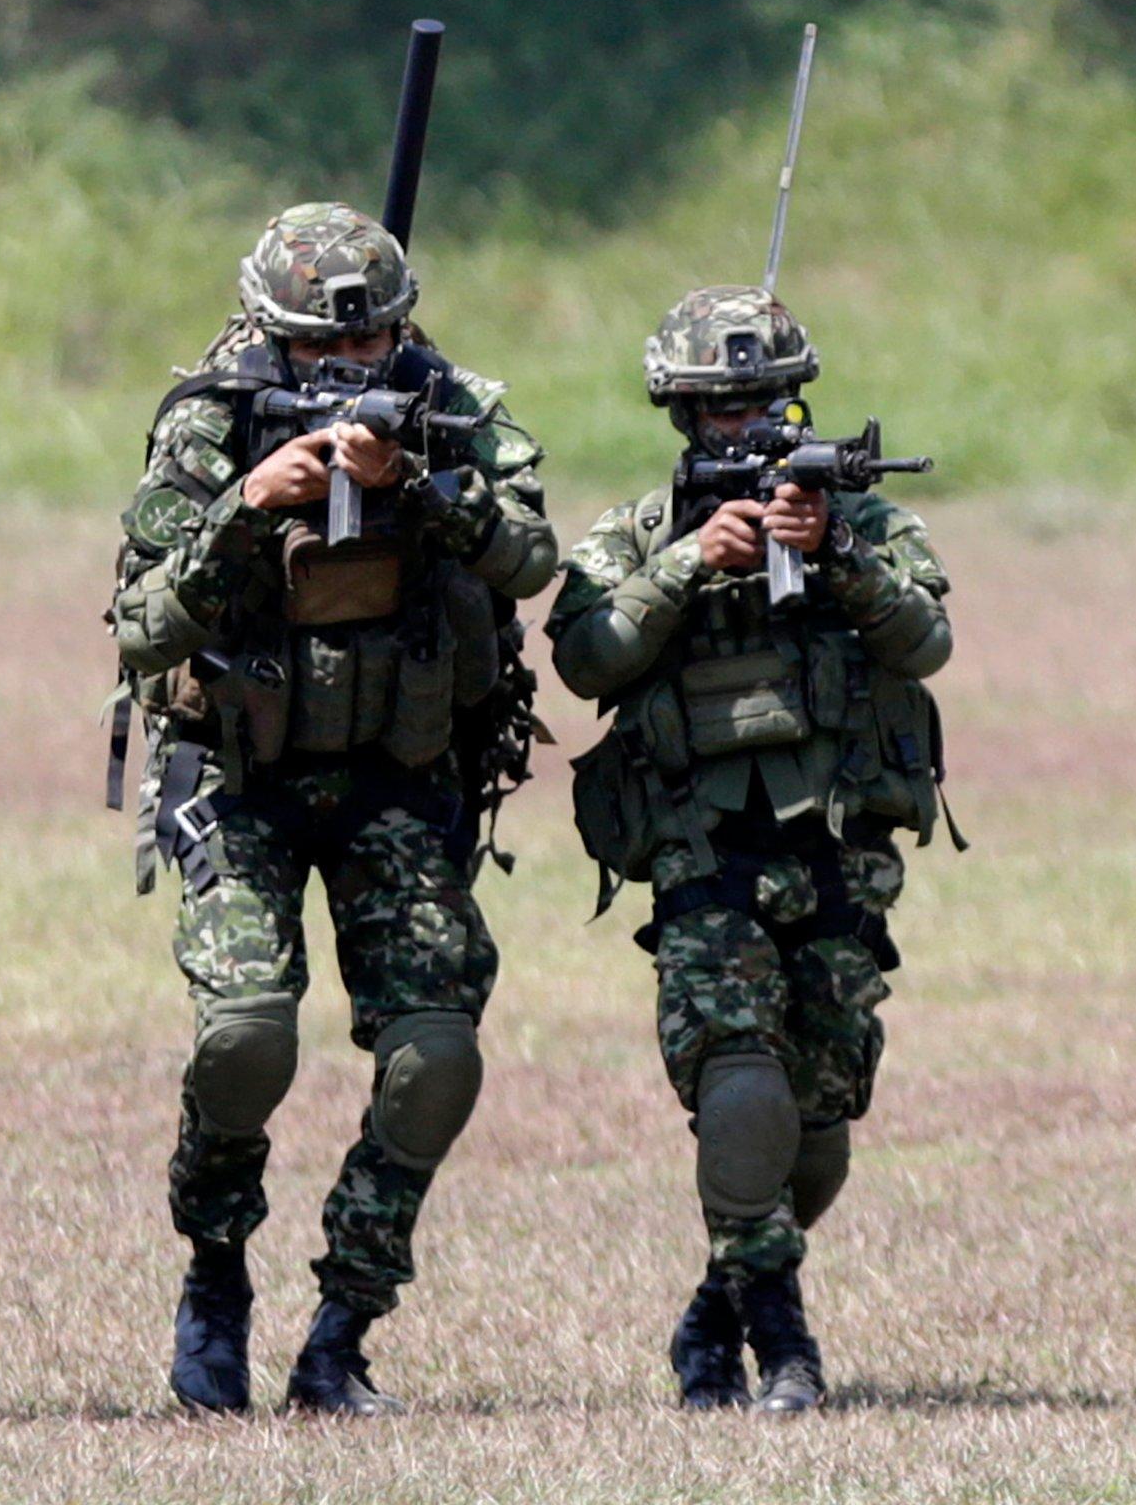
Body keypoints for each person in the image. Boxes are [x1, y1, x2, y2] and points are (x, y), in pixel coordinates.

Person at [112, 202, 555, 1417]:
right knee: (245, 1034)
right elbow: (145, 621)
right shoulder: (207, 418)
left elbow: (531, 554)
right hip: (244, 781)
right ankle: (215, 1276)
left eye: (364, 351)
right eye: (316, 353)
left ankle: (344, 1325)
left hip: (399, 778)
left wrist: (416, 485)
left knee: (435, 1056)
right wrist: (250, 505)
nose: (344, 373)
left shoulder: (452, 407)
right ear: (267, 333)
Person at [545, 286, 952, 1414]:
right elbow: (589, 656)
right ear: (682, 417)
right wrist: (686, 562)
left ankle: (712, 1313)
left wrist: (837, 560)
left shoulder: (860, 522)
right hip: (699, 849)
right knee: (738, 1091)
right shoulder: (636, 530)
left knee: (817, 1131)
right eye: (718, 410)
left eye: (763, 402)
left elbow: (930, 641)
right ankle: (785, 1345)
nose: (744, 428)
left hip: (836, 851)